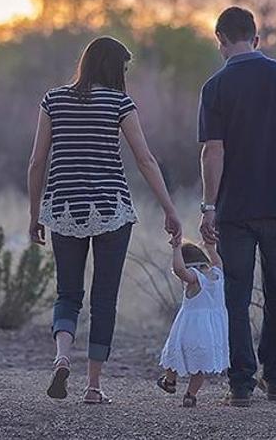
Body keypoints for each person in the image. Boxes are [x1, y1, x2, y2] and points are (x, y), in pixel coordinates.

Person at [27, 36, 182, 404]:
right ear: (114, 68)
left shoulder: (53, 100)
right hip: (111, 209)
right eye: (124, 68)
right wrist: (169, 208)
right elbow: (145, 160)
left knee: (67, 292)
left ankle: (62, 356)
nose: (125, 75)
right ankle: (93, 387)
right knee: (104, 298)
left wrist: (35, 215)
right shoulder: (119, 103)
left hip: (63, 208)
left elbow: (36, 162)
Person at [197, 7, 276, 407]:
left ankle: (240, 385)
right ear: (256, 38)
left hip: (235, 211)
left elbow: (212, 151)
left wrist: (208, 206)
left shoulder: (215, 86)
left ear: (220, 40)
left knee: (235, 296)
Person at [156, 240, 229, 407]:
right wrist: (210, 247)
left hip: (189, 328)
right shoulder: (217, 273)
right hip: (210, 331)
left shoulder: (195, 278)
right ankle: (190, 395)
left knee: (173, 354)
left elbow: (180, 270)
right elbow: (217, 261)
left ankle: (170, 381)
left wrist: (176, 249)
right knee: (200, 365)